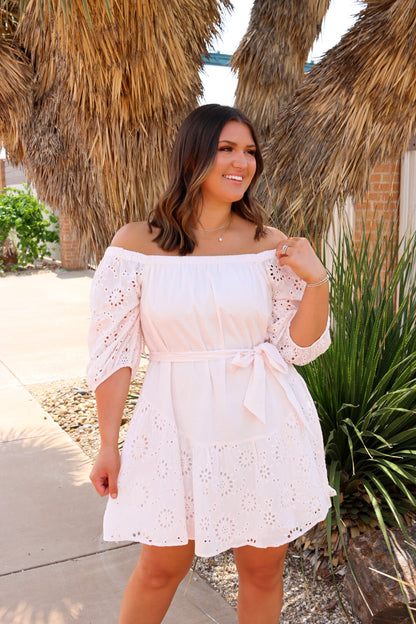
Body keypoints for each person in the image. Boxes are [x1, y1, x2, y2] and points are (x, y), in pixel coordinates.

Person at [87, 103, 335, 624]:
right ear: (193, 155)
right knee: (160, 568)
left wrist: (317, 282)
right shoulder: (137, 245)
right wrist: (107, 445)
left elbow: (297, 347)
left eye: (249, 151)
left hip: (263, 422)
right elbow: (114, 353)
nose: (241, 162)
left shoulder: (269, 244)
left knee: (264, 572)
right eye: (226, 149)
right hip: (177, 424)